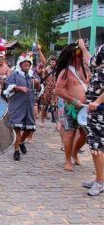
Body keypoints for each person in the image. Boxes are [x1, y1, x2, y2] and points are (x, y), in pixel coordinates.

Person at [55, 42, 90, 171]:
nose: (79, 58)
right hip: (71, 108)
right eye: (77, 55)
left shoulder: (86, 70)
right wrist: (74, 100)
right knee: (70, 133)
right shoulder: (65, 72)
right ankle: (68, 160)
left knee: (85, 134)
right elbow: (58, 90)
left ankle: (75, 152)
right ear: (70, 57)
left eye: (80, 55)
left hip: (85, 109)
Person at [4, 53, 40, 161]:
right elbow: (7, 87)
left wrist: (37, 84)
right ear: (20, 64)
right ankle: (16, 151)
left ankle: (20, 142)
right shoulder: (15, 74)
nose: (26, 64)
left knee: (30, 128)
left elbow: (39, 89)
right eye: (24, 63)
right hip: (17, 105)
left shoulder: (33, 75)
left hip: (29, 105)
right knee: (17, 128)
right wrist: (18, 88)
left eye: (28, 63)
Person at [81, 41, 104, 196]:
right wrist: (83, 48)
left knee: (98, 147)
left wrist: (98, 101)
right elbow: (89, 61)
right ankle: (99, 177)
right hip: (95, 111)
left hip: (100, 111)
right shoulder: (99, 62)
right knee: (96, 147)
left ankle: (100, 182)